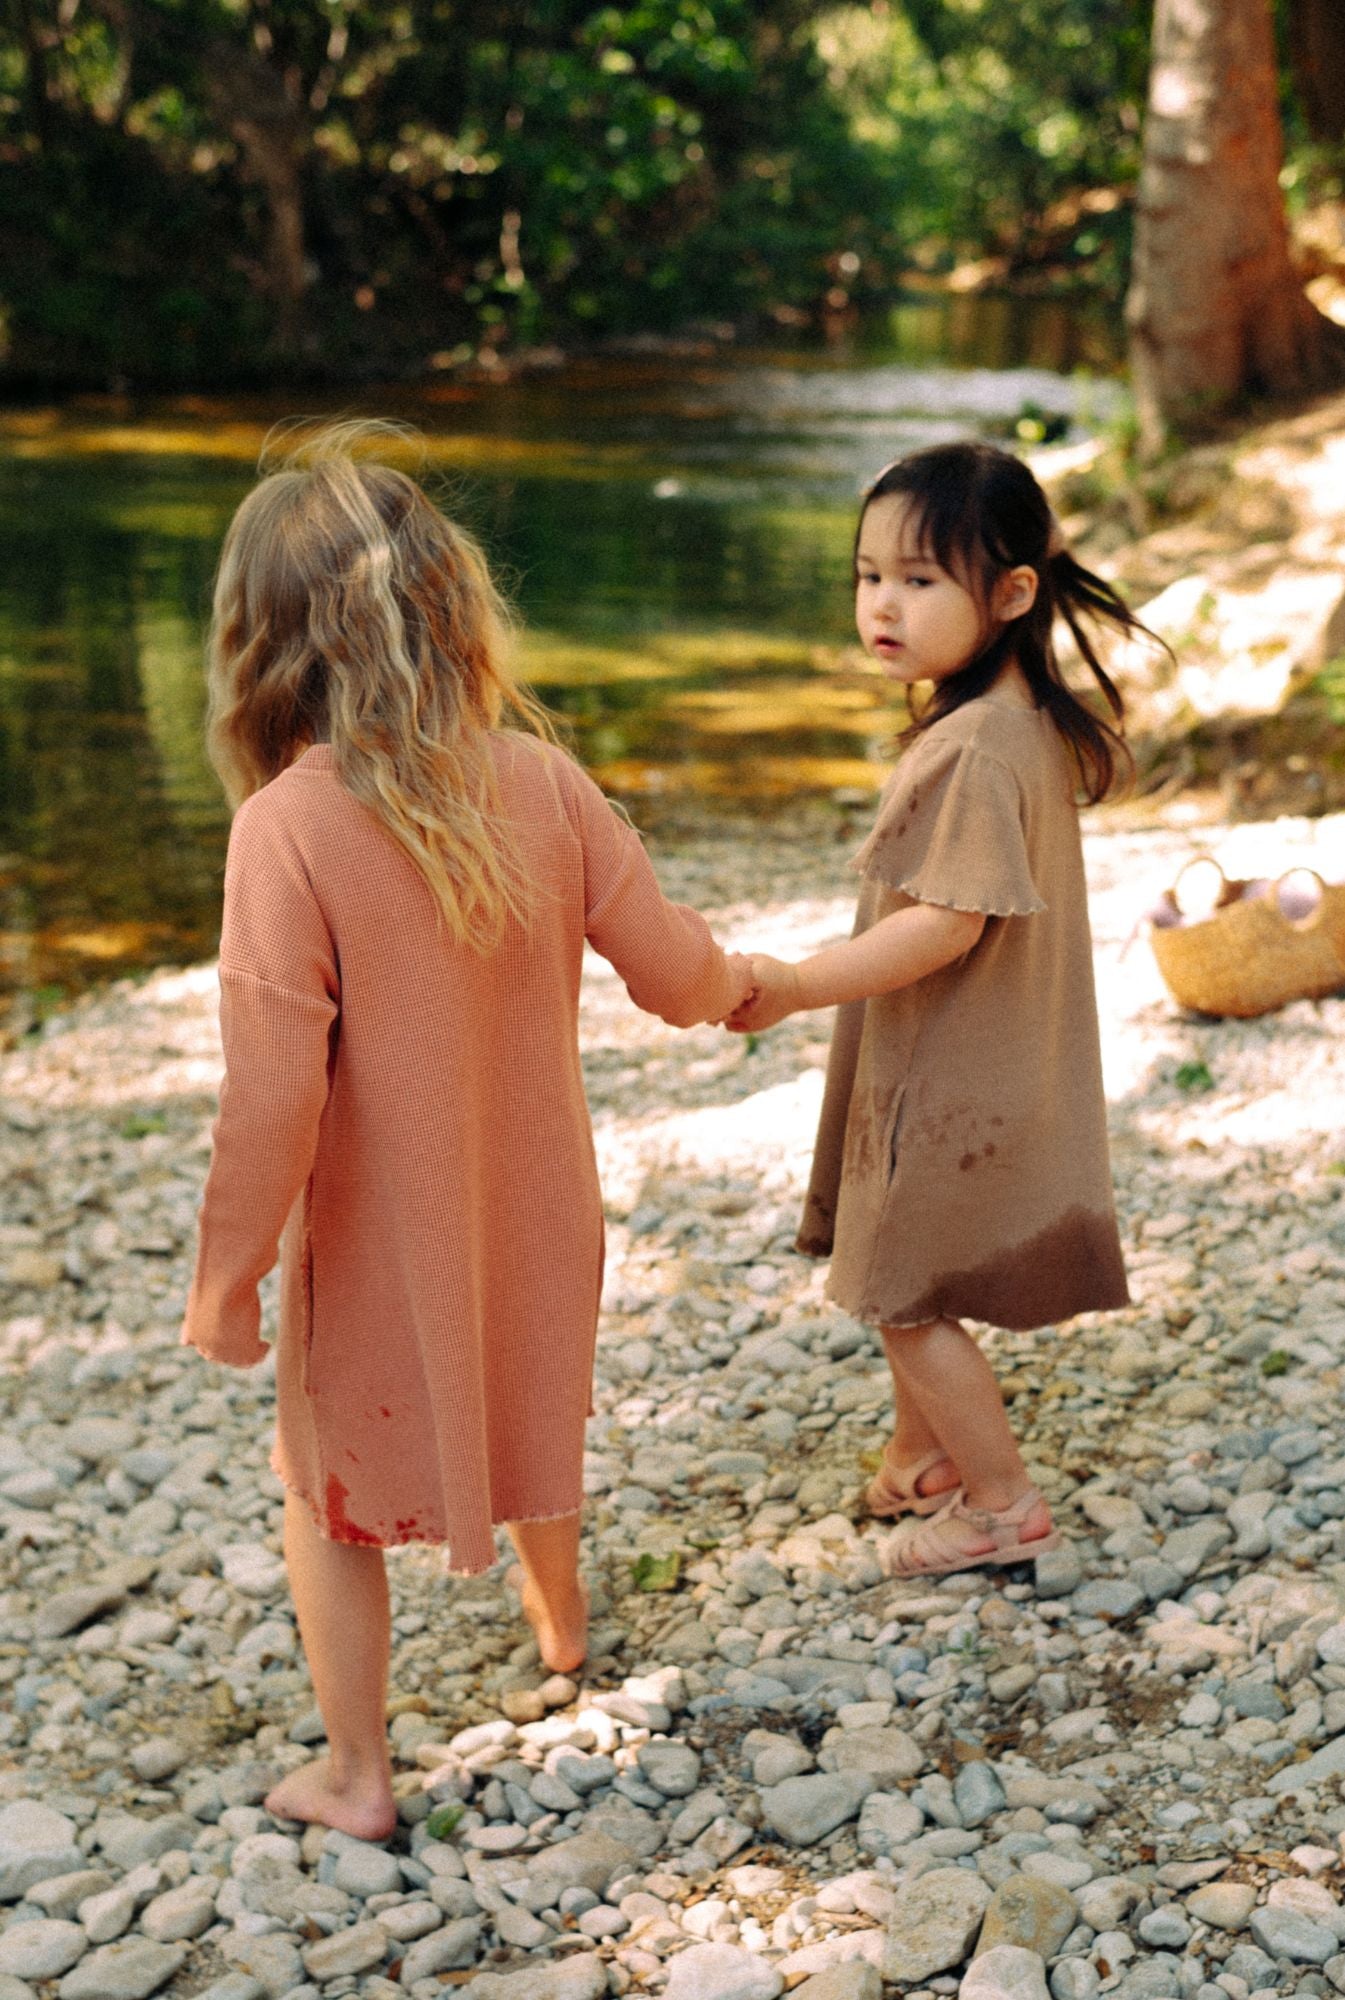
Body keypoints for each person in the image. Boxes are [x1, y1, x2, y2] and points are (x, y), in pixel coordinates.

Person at [181, 421, 753, 1837]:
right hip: (543, 1214)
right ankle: (560, 1628)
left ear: (261, 646)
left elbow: (271, 1098)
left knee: (326, 1492)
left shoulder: (289, 828)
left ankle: (357, 1774)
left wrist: (227, 1273)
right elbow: (680, 977)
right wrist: (770, 986)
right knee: (529, 1407)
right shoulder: (541, 786)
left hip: (378, 1247)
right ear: (452, 610)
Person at [726, 440, 1148, 1579]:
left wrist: (800, 979)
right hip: (990, 1054)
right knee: (901, 1261)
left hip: (955, 1073)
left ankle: (1001, 1502)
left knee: (903, 1291)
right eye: (868, 575)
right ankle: (927, 1457)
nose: (881, 603)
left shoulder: (968, 745)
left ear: (1010, 594)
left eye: (919, 581)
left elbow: (945, 924)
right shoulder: (1018, 718)